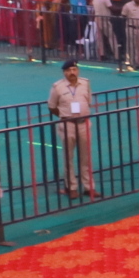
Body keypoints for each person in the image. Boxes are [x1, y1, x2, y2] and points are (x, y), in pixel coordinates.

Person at [50, 59, 97, 197]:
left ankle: (89, 187)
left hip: (84, 123)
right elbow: (52, 106)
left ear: (78, 70)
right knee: (68, 157)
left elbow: (88, 101)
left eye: (74, 69)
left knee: (86, 157)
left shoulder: (85, 83)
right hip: (68, 124)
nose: (72, 72)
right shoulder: (57, 87)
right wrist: (65, 116)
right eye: (69, 70)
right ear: (64, 72)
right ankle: (71, 187)